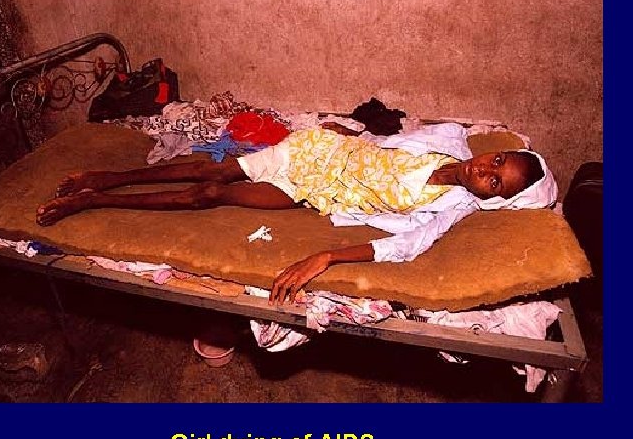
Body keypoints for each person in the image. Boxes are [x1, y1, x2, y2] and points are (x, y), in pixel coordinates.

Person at [36, 122, 557, 304]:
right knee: (218, 172)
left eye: (494, 181)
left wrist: (326, 257)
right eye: (497, 160)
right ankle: (109, 179)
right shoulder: (449, 140)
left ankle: (91, 200)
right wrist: (354, 134)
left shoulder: (450, 208)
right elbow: (390, 141)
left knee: (209, 195)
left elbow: (404, 246)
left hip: (317, 191)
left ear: (494, 198)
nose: (484, 169)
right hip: (317, 153)